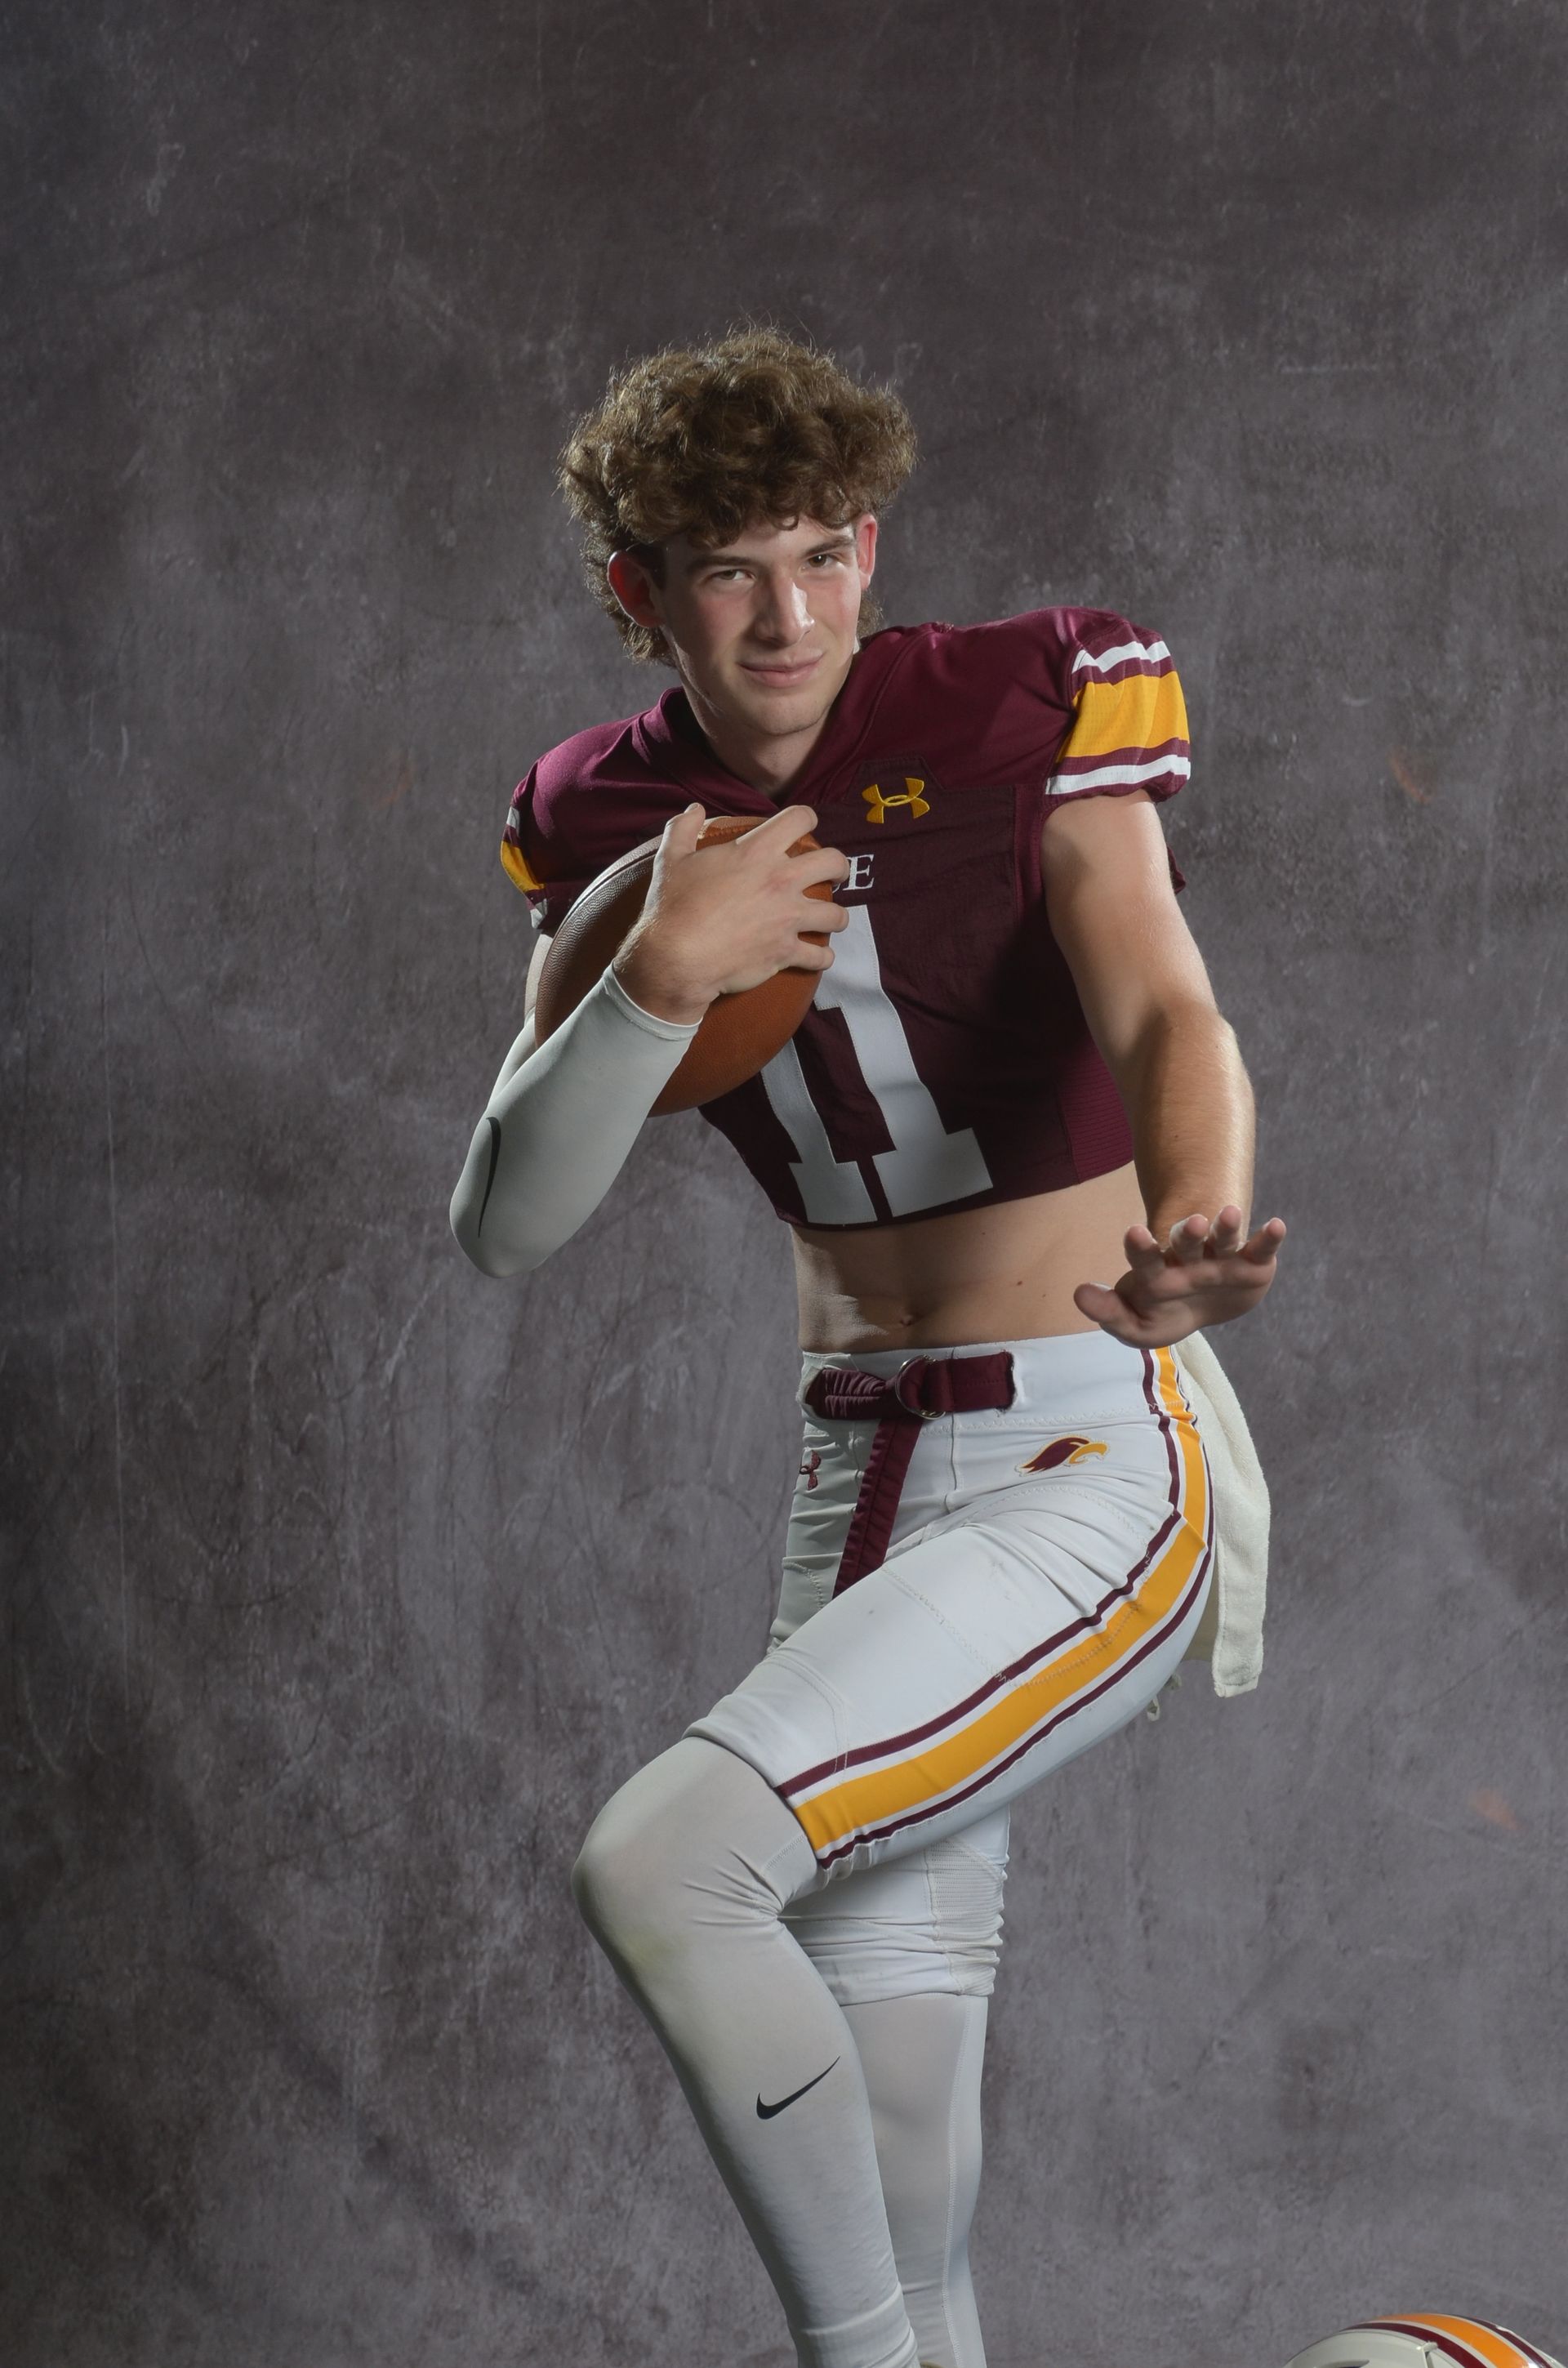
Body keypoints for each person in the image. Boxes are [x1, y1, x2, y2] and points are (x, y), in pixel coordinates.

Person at [449, 328, 1285, 2368]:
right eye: (729, 568)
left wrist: (1190, 1216)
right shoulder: (604, 817)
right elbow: (505, 1220)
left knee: (671, 1864)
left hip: (1092, 1442)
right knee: (906, 2167)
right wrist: (651, 983)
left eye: (824, 553)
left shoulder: (1020, 700)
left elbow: (1164, 998)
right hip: (859, 1482)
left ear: (872, 546)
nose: (791, 612)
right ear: (637, 590)